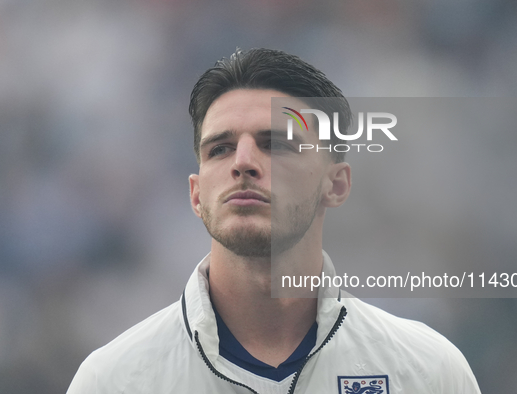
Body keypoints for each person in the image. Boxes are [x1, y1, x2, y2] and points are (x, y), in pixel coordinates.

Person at [67, 48, 481, 394]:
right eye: (220, 149)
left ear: (335, 185)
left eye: (277, 144)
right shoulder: (113, 381)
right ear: (196, 193)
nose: (243, 162)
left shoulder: (429, 373)